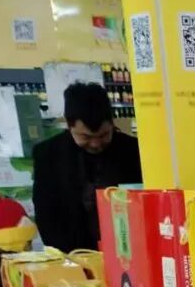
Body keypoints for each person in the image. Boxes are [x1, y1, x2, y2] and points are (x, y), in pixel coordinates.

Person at [32, 82, 141, 250]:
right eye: (86, 137)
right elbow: (45, 211)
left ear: (112, 123)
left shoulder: (133, 150)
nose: (96, 144)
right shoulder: (48, 154)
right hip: (72, 251)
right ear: (69, 125)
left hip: (128, 246)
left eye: (104, 135)